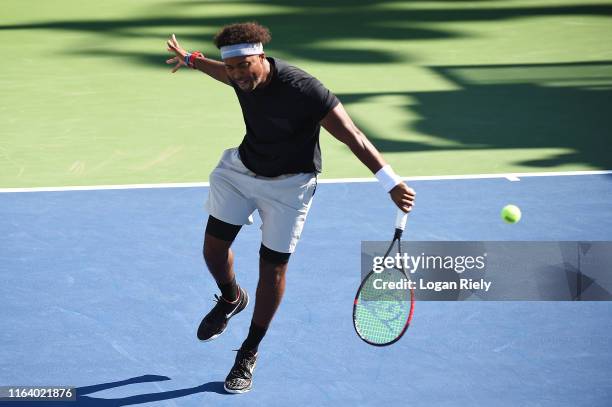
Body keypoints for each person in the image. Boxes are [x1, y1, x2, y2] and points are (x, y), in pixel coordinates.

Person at [166, 22, 415, 394]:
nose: (237, 75)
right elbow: (221, 73)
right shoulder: (237, 74)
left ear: (262, 57)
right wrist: (191, 59)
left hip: (291, 185)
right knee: (213, 250)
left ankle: (248, 351)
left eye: (244, 66)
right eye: (231, 67)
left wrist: (390, 181)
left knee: (274, 267)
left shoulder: (304, 89)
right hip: (241, 170)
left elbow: (353, 135)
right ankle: (232, 298)